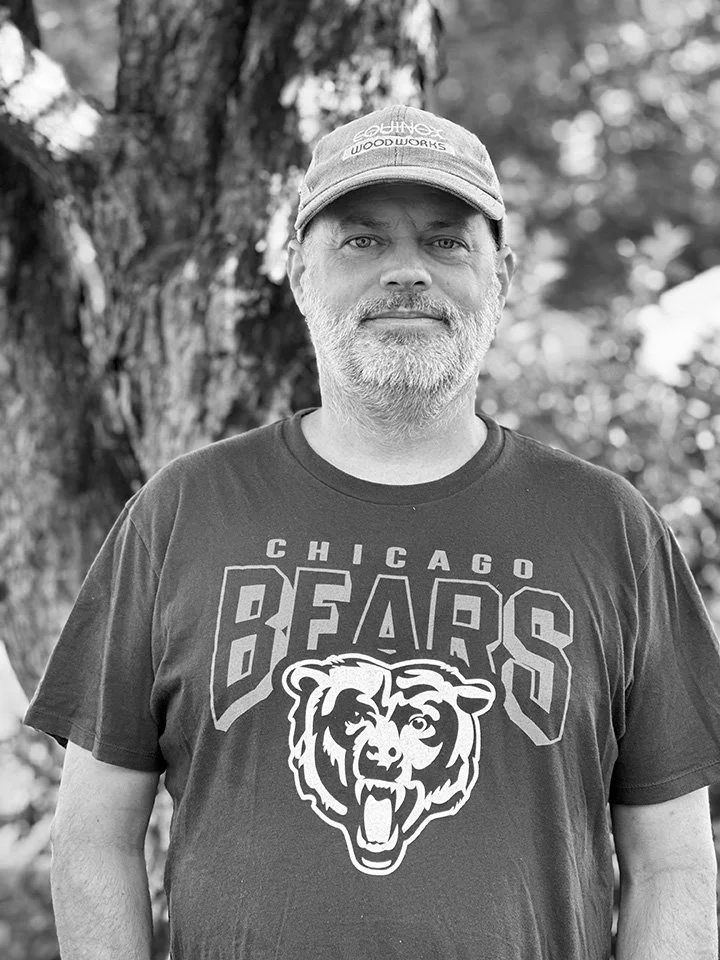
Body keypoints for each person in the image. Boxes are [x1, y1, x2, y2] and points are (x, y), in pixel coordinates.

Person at [25, 104, 720, 960]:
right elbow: (94, 837)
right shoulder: (183, 512)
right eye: (362, 241)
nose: (407, 273)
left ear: (500, 277)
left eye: (445, 242)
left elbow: (671, 864)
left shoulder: (609, 529)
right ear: (299, 275)